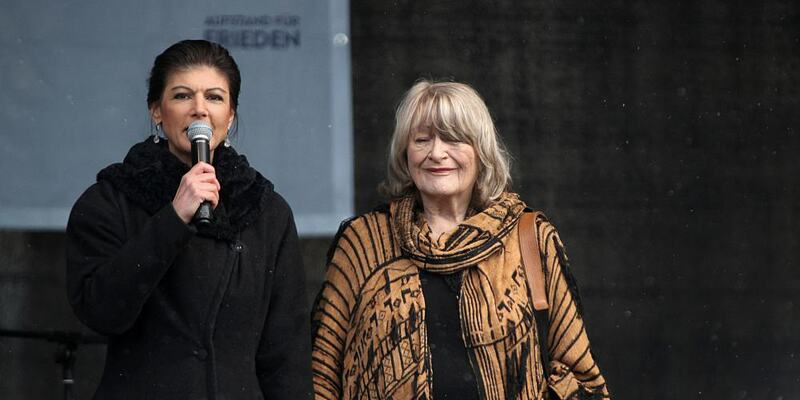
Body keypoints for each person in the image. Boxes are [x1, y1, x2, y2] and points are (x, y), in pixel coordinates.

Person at [311, 80, 610, 399]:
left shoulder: (530, 237)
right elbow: (322, 374)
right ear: (405, 154)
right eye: (422, 140)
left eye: (454, 139)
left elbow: (578, 373)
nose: (436, 153)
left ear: (480, 151)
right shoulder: (364, 243)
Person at [66, 39, 311, 399]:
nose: (199, 110)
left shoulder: (265, 210)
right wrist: (174, 217)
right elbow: (101, 311)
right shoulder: (110, 200)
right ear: (156, 110)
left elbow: (286, 352)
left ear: (231, 115)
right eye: (182, 96)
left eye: (214, 97)